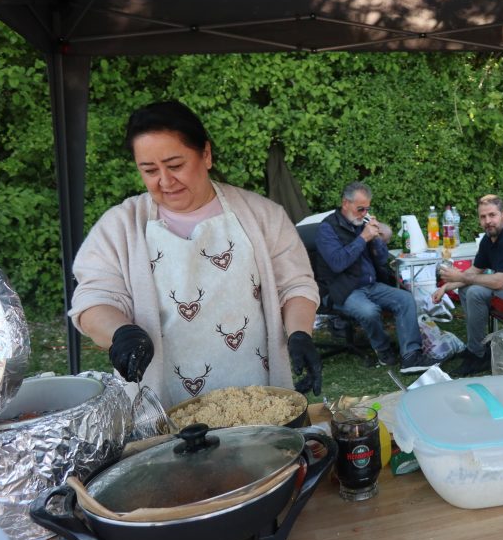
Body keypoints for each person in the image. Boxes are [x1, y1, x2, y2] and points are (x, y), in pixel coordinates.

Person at [69, 100, 324, 406]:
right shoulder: (119, 227)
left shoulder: (264, 215)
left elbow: (295, 285)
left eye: (175, 165)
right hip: (160, 403)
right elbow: (93, 300)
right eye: (149, 170)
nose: (165, 181)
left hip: (258, 395)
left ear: (206, 154)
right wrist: (120, 333)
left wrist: (299, 333)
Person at [315, 181, 437, 373]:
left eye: (367, 209)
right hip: (342, 288)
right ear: (345, 203)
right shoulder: (327, 229)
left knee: (405, 299)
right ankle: (383, 349)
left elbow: (380, 260)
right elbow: (337, 263)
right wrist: (363, 238)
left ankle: (411, 356)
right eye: (360, 209)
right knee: (369, 311)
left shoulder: (361, 224)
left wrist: (377, 240)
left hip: (370, 285)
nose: (364, 213)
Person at [432, 194, 503, 376]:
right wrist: (446, 287)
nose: (488, 221)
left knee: (475, 291)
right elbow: (474, 271)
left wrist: (460, 276)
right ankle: (477, 348)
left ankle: (478, 355)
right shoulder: (489, 240)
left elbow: (499, 282)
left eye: (492, 215)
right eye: (483, 217)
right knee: (466, 288)